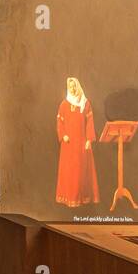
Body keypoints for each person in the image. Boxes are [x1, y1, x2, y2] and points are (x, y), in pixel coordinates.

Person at [55, 76, 99, 207]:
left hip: (81, 143)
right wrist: (63, 135)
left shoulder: (86, 104)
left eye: (74, 86)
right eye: (70, 86)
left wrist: (89, 140)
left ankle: (81, 198)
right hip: (68, 145)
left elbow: (90, 123)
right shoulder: (64, 104)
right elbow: (59, 122)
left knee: (81, 171)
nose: (72, 89)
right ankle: (69, 198)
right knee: (69, 172)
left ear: (78, 86)